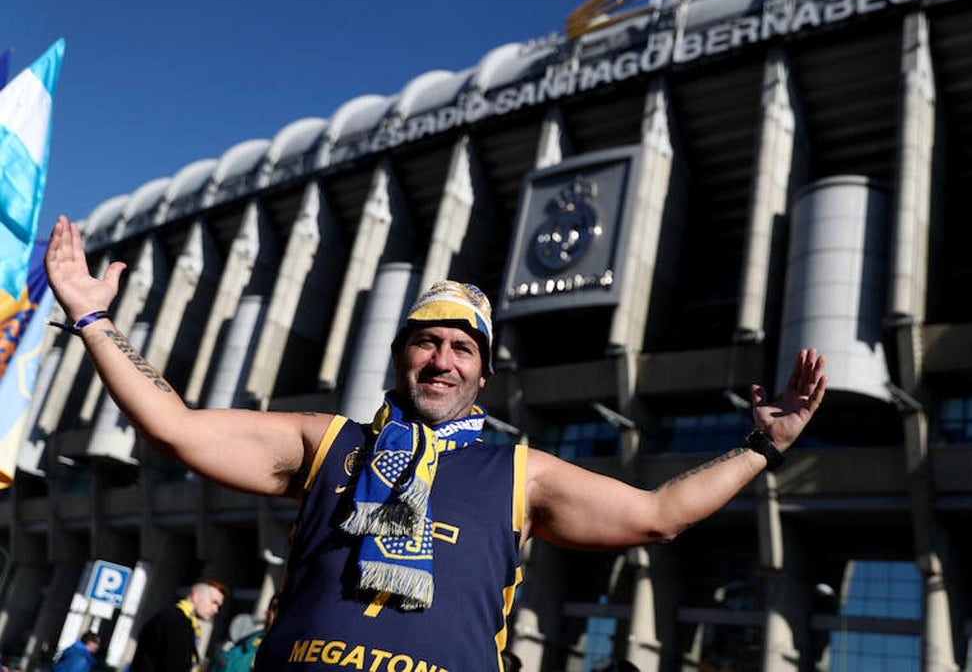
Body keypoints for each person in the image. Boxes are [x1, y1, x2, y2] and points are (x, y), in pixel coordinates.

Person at [44, 214, 826, 672]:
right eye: (427, 342)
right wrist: (92, 319)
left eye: (462, 347)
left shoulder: (520, 473)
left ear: (483, 372)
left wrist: (765, 444)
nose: (442, 359)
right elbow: (175, 426)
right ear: (400, 354)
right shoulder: (327, 443)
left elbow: (659, 513)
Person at [130, 578, 227, 672]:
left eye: (218, 606)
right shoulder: (178, 623)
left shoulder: (173, 618)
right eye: (214, 602)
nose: (216, 610)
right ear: (195, 596)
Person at [210, 594, 278, 672]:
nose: (279, 614)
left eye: (286, 610)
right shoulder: (236, 652)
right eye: (275, 609)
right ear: (267, 614)